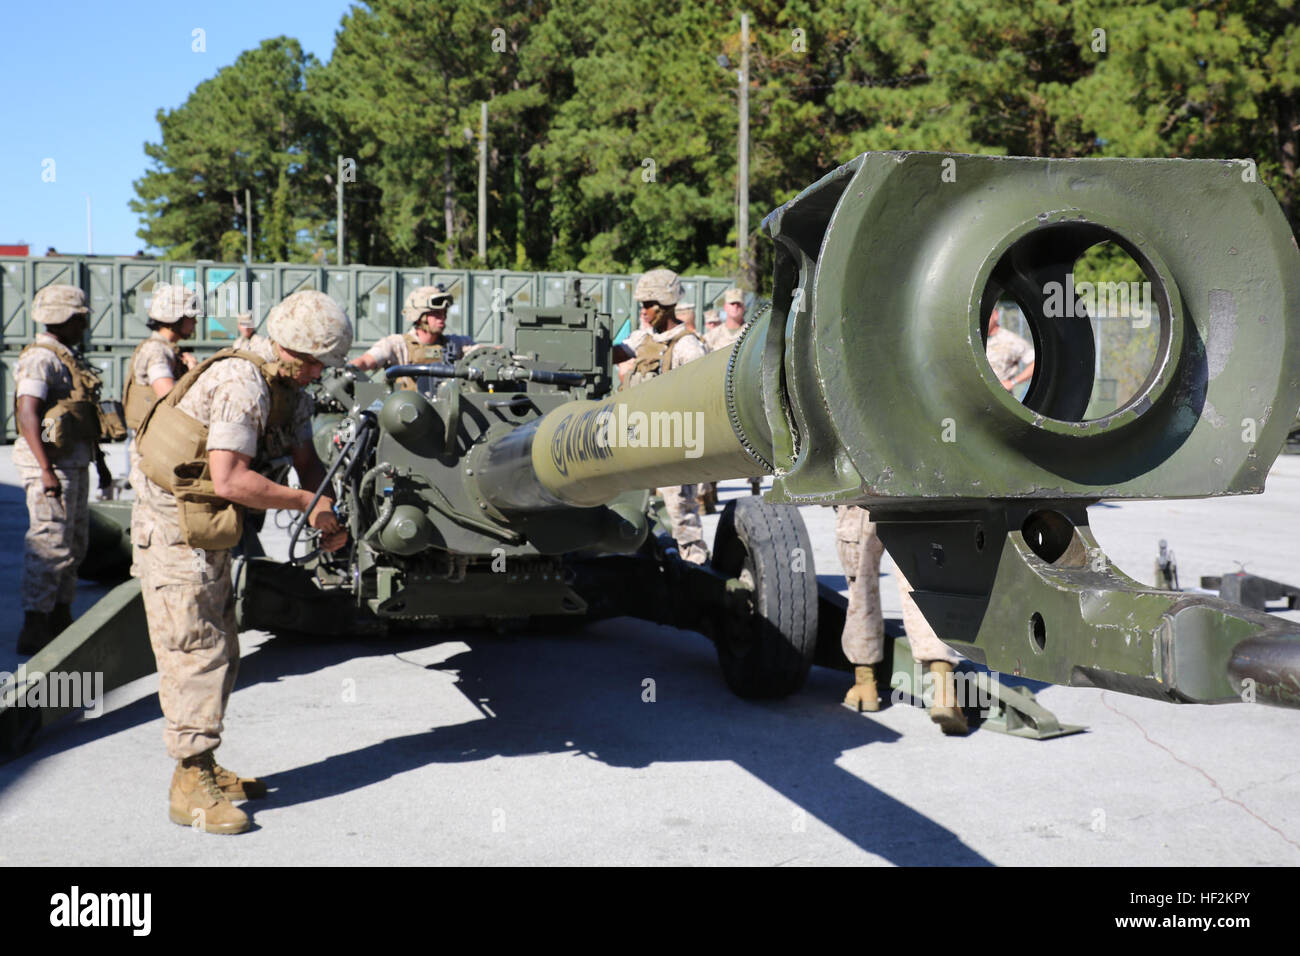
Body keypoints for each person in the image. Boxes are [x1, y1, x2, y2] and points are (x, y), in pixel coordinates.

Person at [131, 290, 352, 834]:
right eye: (319, 363)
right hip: (175, 528)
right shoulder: (242, 382)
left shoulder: (291, 390)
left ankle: (204, 763)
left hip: (210, 528)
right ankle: (189, 785)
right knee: (194, 650)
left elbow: (306, 461)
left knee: (223, 645)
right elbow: (229, 477)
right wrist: (306, 503)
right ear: (296, 352)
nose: (322, 374)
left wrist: (330, 514)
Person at [13, 285, 100, 654]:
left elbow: (81, 416)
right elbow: (27, 411)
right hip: (51, 466)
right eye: (79, 317)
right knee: (49, 545)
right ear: (64, 319)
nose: (83, 323)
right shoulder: (41, 358)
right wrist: (46, 470)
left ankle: (61, 617)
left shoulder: (66, 356)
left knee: (73, 544)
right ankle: (35, 626)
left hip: (73, 463)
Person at [835, 505, 968, 735]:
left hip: (859, 493)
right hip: (908, 493)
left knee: (861, 589)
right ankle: (945, 694)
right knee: (921, 586)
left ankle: (865, 684)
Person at [612, 268, 710, 565]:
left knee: (680, 515)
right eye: (641, 305)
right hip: (640, 439)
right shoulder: (645, 337)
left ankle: (695, 567)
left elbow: (701, 394)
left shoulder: (687, 346)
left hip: (672, 444)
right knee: (636, 509)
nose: (642, 311)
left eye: (647, 305)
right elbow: (619, 352)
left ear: (665, 306)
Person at [125, 284, 201, 487]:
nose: (194, 321)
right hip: (153, 448)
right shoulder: (157, 351)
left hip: (159, 443)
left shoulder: (167, 350)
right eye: (190, 316)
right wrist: (193, 374)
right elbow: (168, 396)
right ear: (174, 318)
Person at [348, 284, 473, 374]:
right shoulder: (397, 344)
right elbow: (366, 361)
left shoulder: (456, 344)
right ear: (419, 316)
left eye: (444, 313)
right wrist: (348, 371)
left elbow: (484, 353)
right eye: (436, 313)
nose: (442, 318)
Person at [985, 305, 1035, 393]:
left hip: (1000, 398)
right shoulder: (974, 339)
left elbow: (1035, 362)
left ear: (996, 315)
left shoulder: (1010, 340)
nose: (983, 319)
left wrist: (1013, 382)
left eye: (986, 314)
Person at [705, 288, 747, 352]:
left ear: (744, 307)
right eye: (732, 303)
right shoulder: (714, 334)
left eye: (739, 304)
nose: (735, 306)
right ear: (725, 307)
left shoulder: (751, 331)